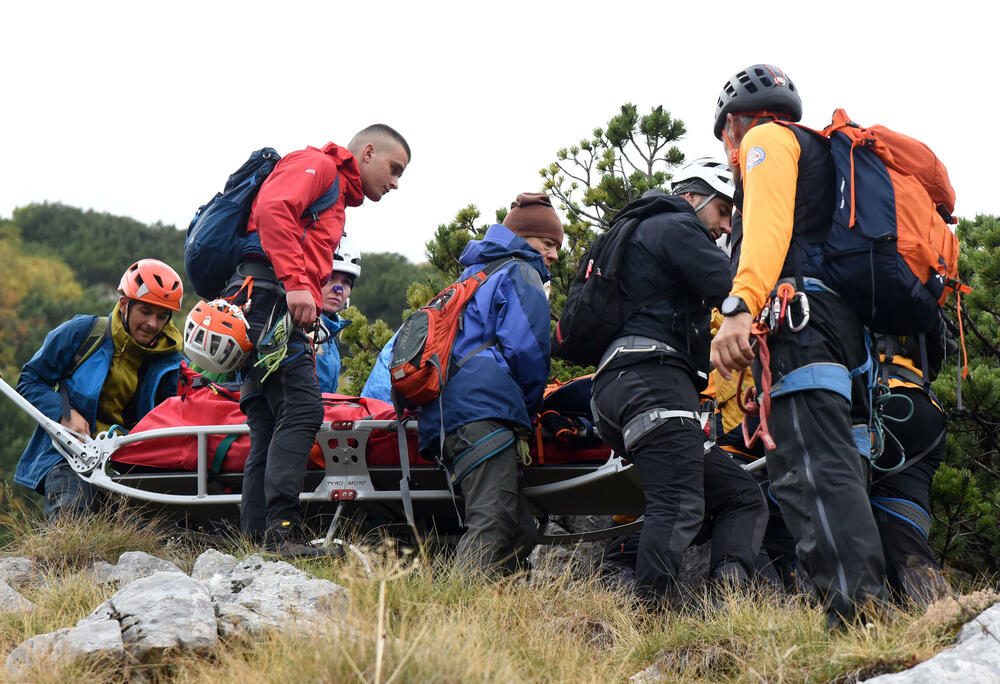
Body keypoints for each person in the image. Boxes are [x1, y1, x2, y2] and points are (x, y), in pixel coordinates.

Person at [709, 64, 889, 626]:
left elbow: (766, 231)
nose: (729, 151)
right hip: (845, 335)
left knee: (811, 471)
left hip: (800, 326)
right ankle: (869, 612)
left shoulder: (766, 139)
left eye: (723, 139)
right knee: (842, 473)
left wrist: (738, 309)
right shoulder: (822, 156)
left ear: (733, 124)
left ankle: (858, 622)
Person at [226, 124, 410, 558]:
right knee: (303, 408)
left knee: (269, 424)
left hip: (259, 304)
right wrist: (294, 284)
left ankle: (255, 542)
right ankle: (281, 535)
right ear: (367, 152)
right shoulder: (319, 166)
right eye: (394, 168)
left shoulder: (333, 192)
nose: (396, 182)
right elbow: (273, 209)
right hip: (269, 302)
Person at [589, 163, 735, 607]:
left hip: (615, 388)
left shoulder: (627, 234)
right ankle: (653, 622)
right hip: (653, 379)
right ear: (693, 198)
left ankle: (736, 602)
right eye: (724, 211)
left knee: (742, 496)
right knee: (677, 504)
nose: (727, 226)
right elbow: (731, 288)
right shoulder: (676, 223)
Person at [417, 192, 559, 575]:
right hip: (484, 411)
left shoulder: (473, 276)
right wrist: (528, 413)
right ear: (525, 239)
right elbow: (528, 350)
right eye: (549, 243)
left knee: (518, 531)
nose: (555, 255)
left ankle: (501, 621)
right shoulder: (519, 271)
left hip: (447, 414)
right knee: (493, 524)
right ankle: (459, 622)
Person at [14, 259, 185, 519]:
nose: (153, 324)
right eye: (146, 312)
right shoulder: (83, 332)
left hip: (130, 465)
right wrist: (64, 413)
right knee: (73, 515)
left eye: (162, 316)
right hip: (69, 456)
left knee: (152, 532)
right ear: (125, 304)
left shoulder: (172, 364)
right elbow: (30, 380)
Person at [870, 323, 953, 605]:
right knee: (902, 532)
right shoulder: (918, 292)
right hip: (923, 411)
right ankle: (944, 620)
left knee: (799, 509)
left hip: (871, 400)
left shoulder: (842, 281)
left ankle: (786, 605)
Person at [315, 237, 361, 394]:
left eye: (346, 282)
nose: (338, 289)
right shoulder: (293, 327)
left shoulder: (330, 337)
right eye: (330, 278)